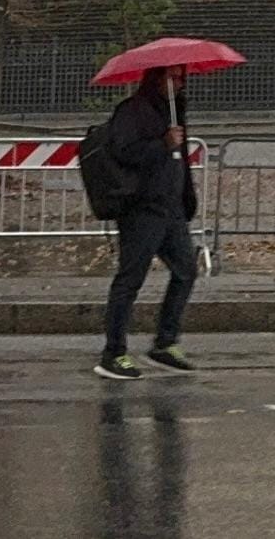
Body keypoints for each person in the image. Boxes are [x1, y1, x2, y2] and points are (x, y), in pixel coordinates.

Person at [91, 67, 199, 380]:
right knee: (130, 279)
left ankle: (165, 341)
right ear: (155, 79)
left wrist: (186, 198)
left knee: (186, 270)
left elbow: (180, 162)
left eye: (180, 78)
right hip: (142, 209)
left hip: (171, 208)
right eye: (171, 77)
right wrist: (162, 144)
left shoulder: (174, 112)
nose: (177, 84)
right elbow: (123, 151)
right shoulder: (133, 111)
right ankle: (114, 352)